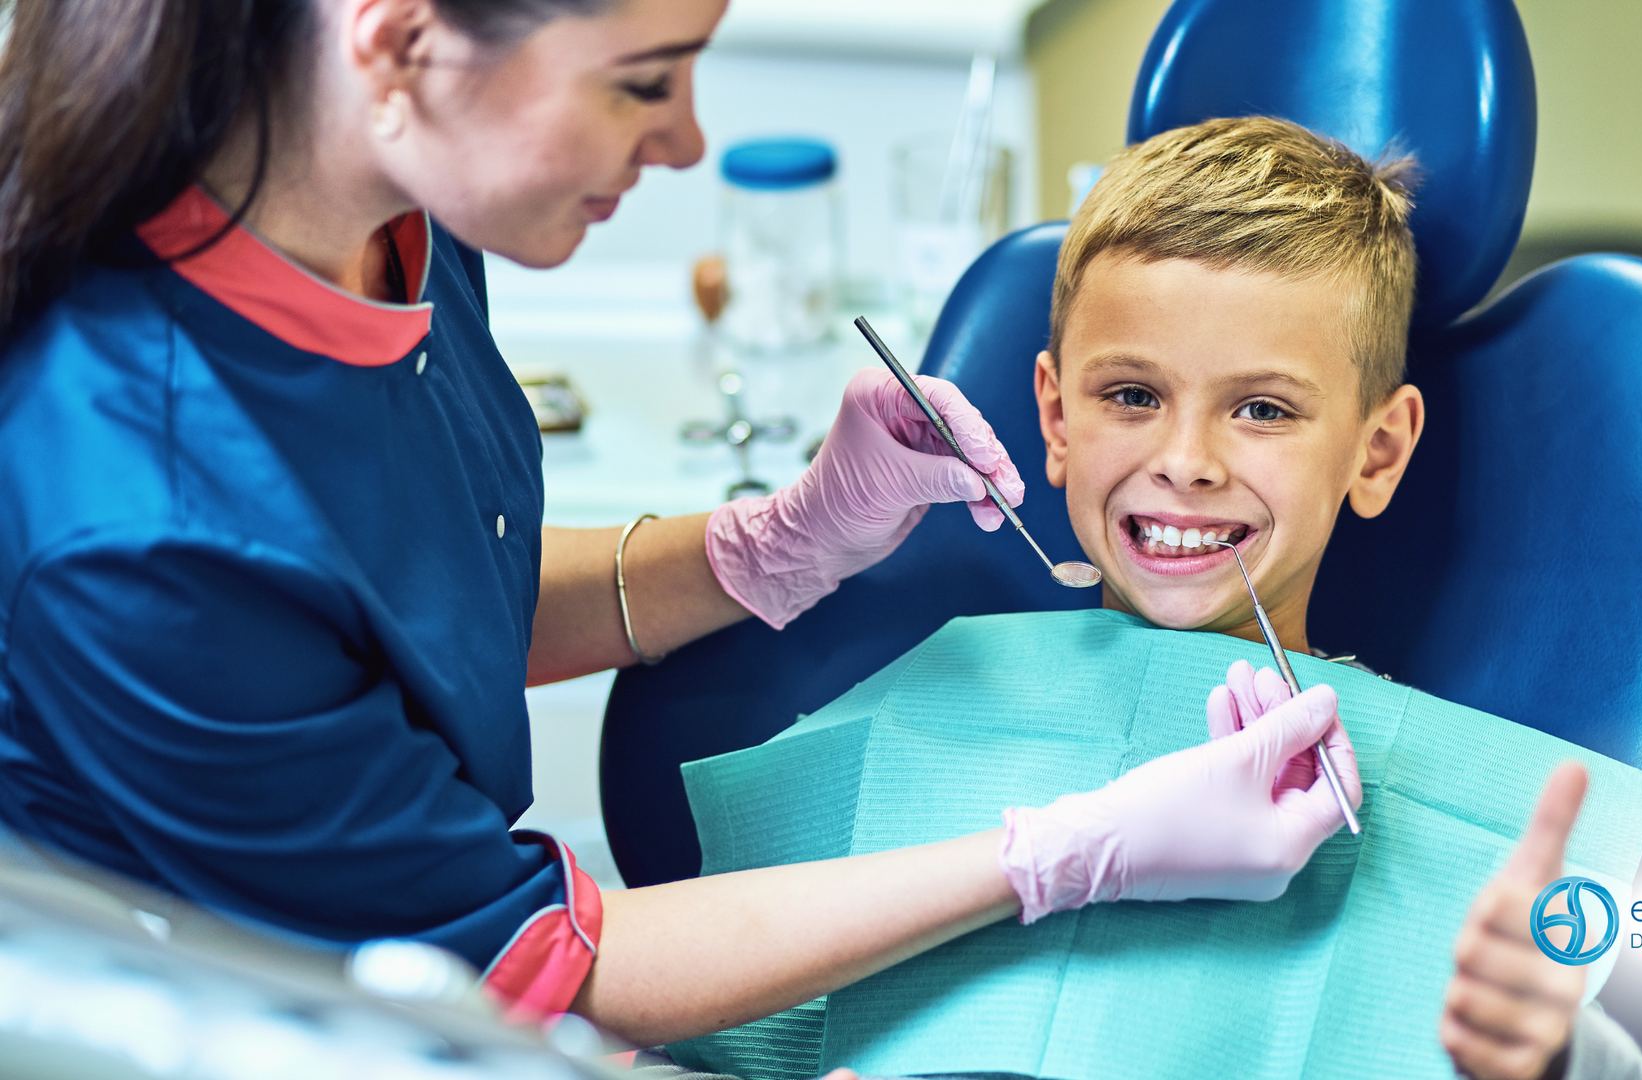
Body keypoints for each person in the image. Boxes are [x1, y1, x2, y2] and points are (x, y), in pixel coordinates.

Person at [0, 0, 1368, 1066]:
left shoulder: (400, 214)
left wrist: (770, 544)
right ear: (404, 50)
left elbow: (409, 599)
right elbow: (528, 960)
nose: (687, 142)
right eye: (644, 81)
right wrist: (1065, 855)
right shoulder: (137, 521)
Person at [689, 117, 1642, 1080]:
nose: (1185, 464)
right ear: (1055, 418)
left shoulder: (1474, 824)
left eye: (1263, 409)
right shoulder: (911, 714)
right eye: (1132, 396)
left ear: (1378, 452)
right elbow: (642, 999)